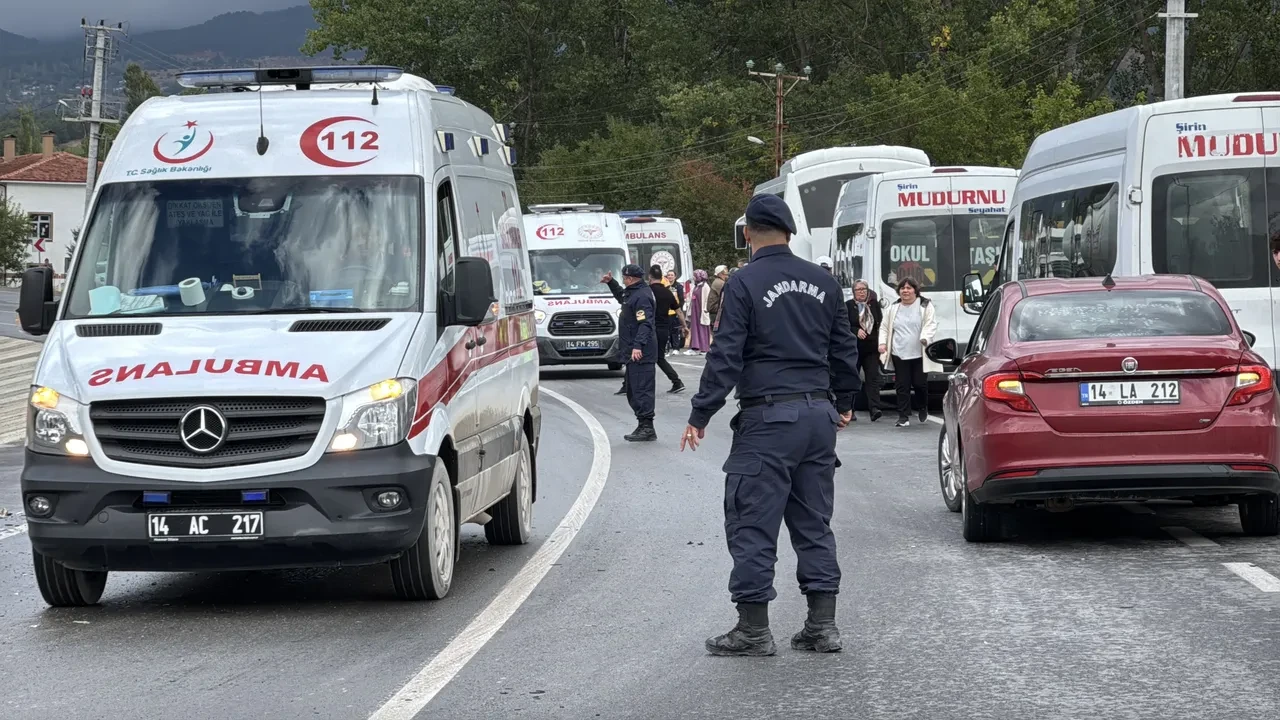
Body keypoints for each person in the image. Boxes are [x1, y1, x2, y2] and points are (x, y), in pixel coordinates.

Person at [680, 193, 861, 657]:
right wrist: (844, 401)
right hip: (818, 417)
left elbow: (726, 354)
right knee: (814, 522)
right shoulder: (824, 281)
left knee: (752, 524)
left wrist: (701, 413)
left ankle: (753, 630)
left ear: (747, 234)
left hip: (768, 418)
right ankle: (823, 626)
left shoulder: (744, 283)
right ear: (789, 232)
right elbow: (844, 350)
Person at [603, 265, 659, 441]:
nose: (623, 280)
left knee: (642, 390)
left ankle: (647, 427)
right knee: (632, 390)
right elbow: (622, 298)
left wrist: (638, 345)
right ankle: (642, 423)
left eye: (624, 277)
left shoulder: (642, 296)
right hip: (631, 351)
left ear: (631, 278)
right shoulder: (633, 292)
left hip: (641, 352)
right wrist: (611, 283)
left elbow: (646, 324)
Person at [877, 277, 937, 427]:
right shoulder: (893, 308)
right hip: (899, 352)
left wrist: (925, 337)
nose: (905, 291)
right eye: (903, 288)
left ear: (915, 291)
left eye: (909, 288)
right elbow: (885, 327)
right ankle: (903, 416)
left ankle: (923, 407)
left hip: (918, 353)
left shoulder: (925, 305)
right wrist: (882, 344)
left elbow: (931, 323)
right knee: (902, 385)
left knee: (919, 384)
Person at [648, 265, 686, 394]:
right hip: (664, 329)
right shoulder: (668, 292)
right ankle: (676, 381)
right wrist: (685, 326)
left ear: (649, 277)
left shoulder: (647, 291)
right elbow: (679, 311)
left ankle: (635, 385)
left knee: (643, 356)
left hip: (650, 329)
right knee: (659, 357)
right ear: (662, 277)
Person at [850, 279, 884, 422]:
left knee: (872, 379)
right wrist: (855, 330)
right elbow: (842, 324)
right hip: (854, 348)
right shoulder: (847, 306)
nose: (862, 292)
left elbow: (881, 323)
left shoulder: (874, 304)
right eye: (859, 289)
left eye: (864, 289)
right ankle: (849, 410)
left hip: (871, 348)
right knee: (852, 379)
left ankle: (874, 409)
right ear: (854, 292)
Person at [688, 269, 712, 354]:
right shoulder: (696, 286)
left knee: (702, 327)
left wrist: (705, 310)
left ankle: (704, 347)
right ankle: (695, 346)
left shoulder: (705, 286)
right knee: (695, 327)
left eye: (695, 276)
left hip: (701, 310)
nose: (693, 278)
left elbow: (707, 299)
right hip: (695, 310)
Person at [665, 270, 687, 355]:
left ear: (675, 276)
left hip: (675, 311)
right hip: (666, 312)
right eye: (668, 275)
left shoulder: (679, 286)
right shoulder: (665, 286)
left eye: (672, 275)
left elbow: (681, 300)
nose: (670, 276)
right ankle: (667, 348)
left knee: (675, 330)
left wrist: (678, 309)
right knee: (667, 330)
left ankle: (676, 348)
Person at [707, 265, 729, 336]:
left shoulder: (718, 281)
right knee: (718, 334)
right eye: (725, 273)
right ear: (720, 274)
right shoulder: (720, 283)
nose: (726, 275)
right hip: (716, 312)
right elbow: (727, 296)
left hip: (715, 311)